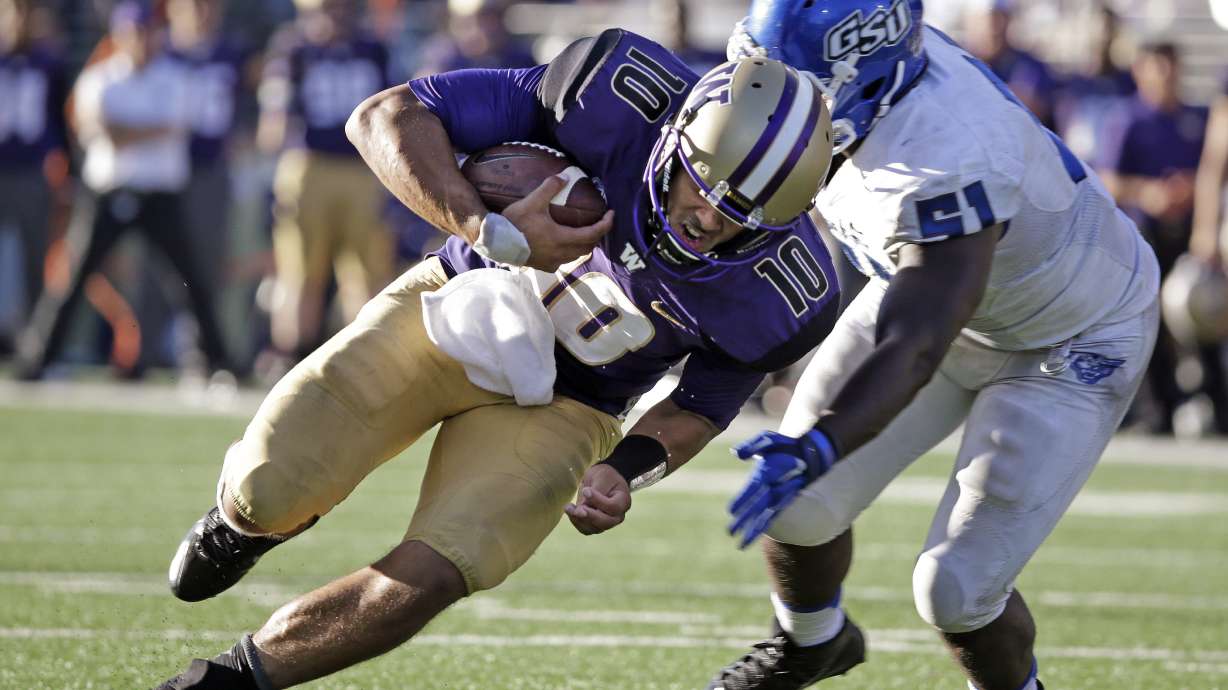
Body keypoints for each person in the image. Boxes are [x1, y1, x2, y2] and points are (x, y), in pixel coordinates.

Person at [153, 31, 839, 689]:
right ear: (676, 139)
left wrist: (623, 470)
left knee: (451, 562)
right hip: (462, 304)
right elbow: (389, 115)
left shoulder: (788, 294)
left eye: (742, 214)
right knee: (267, 486)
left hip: (573, 403)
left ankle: (233, 680)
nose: (709, 221)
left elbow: (702, 404)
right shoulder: (611, 91)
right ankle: (248, 523)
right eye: (704, 186)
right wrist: (486, 227)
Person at [711, 2, 1159, 690]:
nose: (774, 107)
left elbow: (917, 343)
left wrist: (825, 443)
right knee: (795, 508)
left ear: (862, 80)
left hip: (1069, 336)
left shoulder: (945, 152)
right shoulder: (855, 75)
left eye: (801, 89)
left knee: (954, 588)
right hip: (934, 296)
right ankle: (812, 643)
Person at [16, 1, 234, 380]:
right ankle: (38, 359)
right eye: (133, 33)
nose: (141, 41)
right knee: (71, 278)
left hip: (160, 194)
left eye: (146, 32)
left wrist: (125, 129)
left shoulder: (175, 76)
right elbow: (102, 133)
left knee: (189, 282)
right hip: (108, 192)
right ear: (119, 36)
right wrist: (143, 129)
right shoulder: (100, 77)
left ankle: (218, 362)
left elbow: (171, 127)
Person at [257, 0, 394, 365]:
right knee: (300, 272)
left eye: (341, 7)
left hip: (363, 169)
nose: (336, 14)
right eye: (328, 7)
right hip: (309, 165)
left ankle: (363, 360)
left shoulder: (372, 49)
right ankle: (292, 355)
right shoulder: (294, 49)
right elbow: (274, 122)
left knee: (366, 273)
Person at [1099, 41, 1221, 434]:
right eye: (1157, 67)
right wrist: (1147, 192)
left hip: (1189, 230)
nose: (1166, 75)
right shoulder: (1128, 119)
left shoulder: (1196, 116)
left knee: (1203, 315)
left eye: (1171, 66)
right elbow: (1106, 181)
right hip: (1145, 234)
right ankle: (1156, 408)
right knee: (1149, 322)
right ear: (1141, 70)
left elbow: (1210, 171)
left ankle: (1214, 400)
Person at [0, 0, 67, 349]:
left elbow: (58, 122)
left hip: (30, 173)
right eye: (13, 10)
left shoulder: (49, 62)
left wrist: (64, 170)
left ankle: (34, 342)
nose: (20, 19)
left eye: (26, 11)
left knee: (34, 260)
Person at [962, 0, 1058, 129]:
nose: (994, 28)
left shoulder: (1029, 66)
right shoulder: (956, 61)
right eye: (986, 19)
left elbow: (1036, 110)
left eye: (1000, 17)